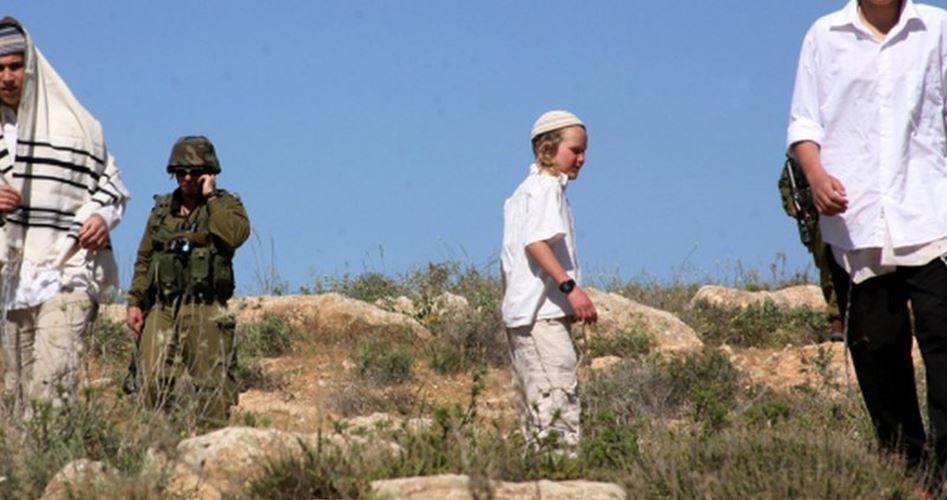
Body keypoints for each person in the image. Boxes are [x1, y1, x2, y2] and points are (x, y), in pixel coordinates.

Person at [788, 0, 947, 479]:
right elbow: (804, 123)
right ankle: (911, 472)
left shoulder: (938, 29)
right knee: (879, 353)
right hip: (855, 223)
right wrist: (815, 176)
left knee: (943, 342)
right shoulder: (824, 35)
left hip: (931, 213)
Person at [0, 18, 130, 416]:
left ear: (31, 67)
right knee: (16, 399)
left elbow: (111, 184)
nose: (7, 77)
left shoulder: (74, 126)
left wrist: (100, 218)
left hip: (68, 272)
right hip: (13, 283)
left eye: (15, 66)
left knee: (51, 390)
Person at [126, 136, 249, 428]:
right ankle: (160, 441)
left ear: (209, 173)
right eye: (181, 172)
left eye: (195, 172)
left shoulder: (224, 205)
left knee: (212, 387)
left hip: (204, 306)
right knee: (151, 380)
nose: (187, 178)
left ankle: (212, 444)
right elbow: (145, 258)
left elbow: (234, 235)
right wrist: (135, 302)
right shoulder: (162, 210)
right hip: (164, 307)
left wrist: (211, 197)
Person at [501, 110, 598, 452]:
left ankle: (541, 473)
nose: (581, 159)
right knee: (557, 404)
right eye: (575, 150)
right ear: (547, 149)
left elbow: (508, 262)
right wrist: (570, 289)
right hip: (541, 317)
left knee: (537, 413)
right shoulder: (545, 189)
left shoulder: (522, 192)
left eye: (584, 151)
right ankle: (561, 474)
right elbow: (535, 244)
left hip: (525, 317)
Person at [778, 161, 848, 342]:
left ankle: (849, 317)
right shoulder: (795, 163)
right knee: (827, 268)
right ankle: (837, 320)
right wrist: (795, 208)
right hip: (815, 218)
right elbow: (786, 186)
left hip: (843, 214)